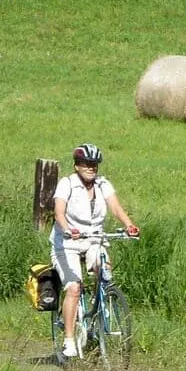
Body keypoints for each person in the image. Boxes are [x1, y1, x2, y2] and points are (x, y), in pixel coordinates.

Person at [52, 143, 139, 357]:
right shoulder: (67, 184)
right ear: (76, 166)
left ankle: (101, 309)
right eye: (86, 164)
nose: (91, 168)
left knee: (105, 272)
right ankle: (70, 339)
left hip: (94, 239)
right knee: (73, 287)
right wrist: (68, 229)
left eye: (94, 164)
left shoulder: (103, 184)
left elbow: (116, 208)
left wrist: (129, 225)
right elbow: (59, 213)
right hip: (67, 243)